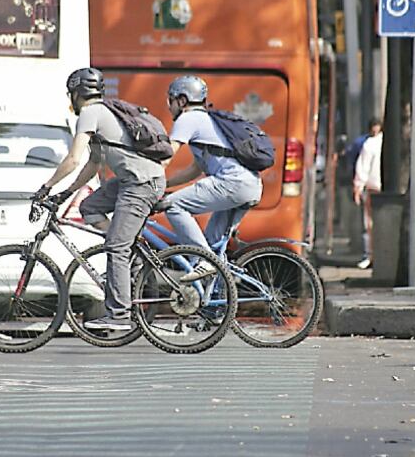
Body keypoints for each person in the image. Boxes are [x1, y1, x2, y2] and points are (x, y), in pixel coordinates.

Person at [33, 68, 166, 331]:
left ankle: (118, 314)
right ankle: (130, 253)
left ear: (76, 93)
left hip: (140, 184)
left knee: (115, 247)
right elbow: (93, 163)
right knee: (89, 207)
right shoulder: (103, 112)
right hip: (136, 180)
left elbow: (73, 159)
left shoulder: (90, 113)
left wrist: (45, 187)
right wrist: (67, 193)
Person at [162, 76, 262, 266]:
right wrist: (165, 184)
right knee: (212, 245)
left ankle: (203, 262)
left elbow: (166, 156)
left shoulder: (188, 118)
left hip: (231, 182)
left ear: (182, 100)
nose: (169, 106)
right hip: (250, 184)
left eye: (171, 100)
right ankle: (217, 290)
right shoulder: (206, 119)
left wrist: (147, 182)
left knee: (173, 205)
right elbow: (194, 170)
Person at [352, 117, 383, 270]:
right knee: (370, 224)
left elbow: (362, 168)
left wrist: (358, 186)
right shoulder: (371, 144)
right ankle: (371, 255)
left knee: (369, 224)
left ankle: (370, 255)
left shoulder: (370, 144)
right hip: (375, 187)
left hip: (373, 187)